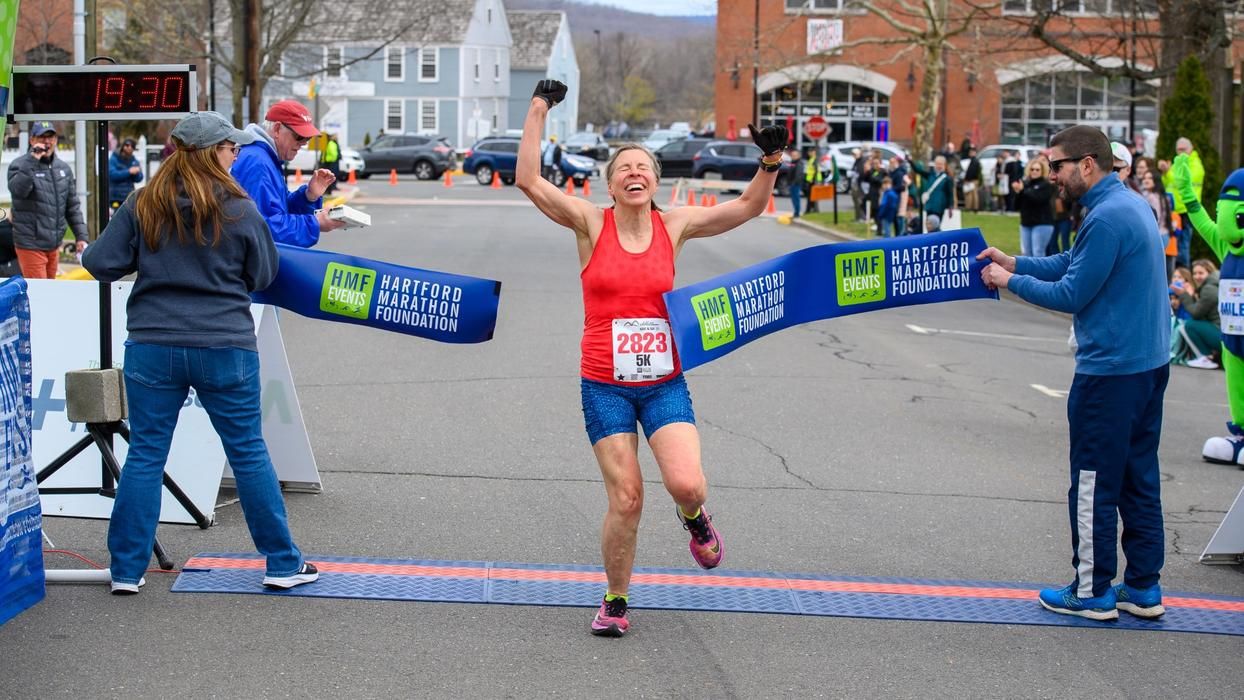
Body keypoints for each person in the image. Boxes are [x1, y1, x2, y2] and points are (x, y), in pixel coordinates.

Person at [515, 79, 787, 637]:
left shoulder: (676, 224)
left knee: (687, 484)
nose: (634, 173)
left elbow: (750, 206)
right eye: (624, 169)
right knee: (629, 497)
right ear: (610, 184)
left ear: (656, 182)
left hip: (664, 381)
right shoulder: (590, 222)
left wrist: (771, 160)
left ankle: (695, 518)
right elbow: (527, 179)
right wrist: (539, 108)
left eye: (643, 167)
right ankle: (615, 600)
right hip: (604, 384)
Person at [81, 111, 319, 595]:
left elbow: (100, 263)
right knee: (248, 450)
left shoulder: (144, 202)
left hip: (152, 344)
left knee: (146, 453)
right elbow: (265, 273)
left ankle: (126, 570)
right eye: (231, 149)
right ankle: (280, 563)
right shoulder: (238, 206)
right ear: (214, 153)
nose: (237, 156)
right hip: (223, 344)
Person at [977, 125, 1169, 621]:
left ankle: (1091, 591)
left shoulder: (1105, 217)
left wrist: (1008, 280)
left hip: (1111, 372)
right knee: (1138, 477)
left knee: (1091, 481)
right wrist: (1015, 260)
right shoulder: (1126, 206)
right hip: (1147, 365)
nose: (1052, 175)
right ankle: (1144, 587)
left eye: (1057, 165)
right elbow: (1073, 262)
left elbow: (1071, 293)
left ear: (1087, 164)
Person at [232, 99, 344, 247]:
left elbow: (278, 210)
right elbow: (264, 228)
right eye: (299, 136)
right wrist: (316, 223)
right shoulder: (257, 162)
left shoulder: (266, 157)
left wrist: (309, 196)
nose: (303, 143)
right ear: (277, 129)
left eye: (307, 138)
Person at [5, 121, 88, 279]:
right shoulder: (19, 165)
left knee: (50, 290)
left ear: (56, 140)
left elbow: (72, 207)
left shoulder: (63, 169)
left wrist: (81, 236)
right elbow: (18, 191)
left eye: (50, 137)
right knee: (40, 292)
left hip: (54, 244)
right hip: (30, 243)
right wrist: (33, 161)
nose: (47, 141)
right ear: (32, 140)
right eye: (42, 137)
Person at [1160, 137, 1203, 269]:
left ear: (1191, 149)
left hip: (1186, 210)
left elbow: (1183, 179)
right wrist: (1165, 174)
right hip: (1174, 211)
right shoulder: (1177, 163)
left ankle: (1183, 273)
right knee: (1173, 245)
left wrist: (1168, 172)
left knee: (1183, 244)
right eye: (1178, 150)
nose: (1181, 152)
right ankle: (1177, 273)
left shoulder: (1195, 164)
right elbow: (1168, 183)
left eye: (1183, 149)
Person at [1171, 259, 1222, 369]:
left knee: (1188, 325)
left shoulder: (1209, 289)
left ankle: (1205, 357)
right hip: (1221, 331)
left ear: (1209, 272)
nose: (1197, 276)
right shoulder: (1214, 284)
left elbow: (1196, 314)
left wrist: (1184, 295)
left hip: (1220, 334)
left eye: (1201, 273)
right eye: (1194, 273)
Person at [1013, 158, 1055, 257]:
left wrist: (1023, 191)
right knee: (1027, 254)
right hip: (1026, 223)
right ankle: (1029, 273)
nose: (1034, 172)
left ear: (1042, 171)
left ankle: (1040, 273)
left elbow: (1038, 199)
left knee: (1038, 252)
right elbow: (1016, 206)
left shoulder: (1046, 185)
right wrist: (1018, 192)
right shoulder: (1026, 184)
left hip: (1042, 223)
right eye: (1032, 169)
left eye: (1037, 169)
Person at [108, 138, 144, 211]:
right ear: (123, 146)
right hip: (116, 197)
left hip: (128, 197)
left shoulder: (134, 161)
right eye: (127, 145)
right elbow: (112, 175)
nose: (129, 148)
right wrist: (129, 172)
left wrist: (137, 173)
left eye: (132, 146)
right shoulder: (114, 159)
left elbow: (139, 178)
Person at [962, 147, 982, 212]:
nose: (969, 153)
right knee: (974, 194)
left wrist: (967, 179)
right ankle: (974, 208)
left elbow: (971, 171)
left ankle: (970, 207)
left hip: (972, 180)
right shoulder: (976, 161)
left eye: (971, 152)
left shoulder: (974, 161)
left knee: (970, 195)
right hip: (975, 179)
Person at [787, 147, 803, 218]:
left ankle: (797, 213)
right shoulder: (793, 162)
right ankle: (796, 212)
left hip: (795, 184)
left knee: (796, 199)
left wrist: (793, 183)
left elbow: (798, 175)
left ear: (799, 156)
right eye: (792, 155)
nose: (793, 157)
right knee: (794, 199)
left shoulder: (799, 163)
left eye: (795, 155)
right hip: (792, 184)